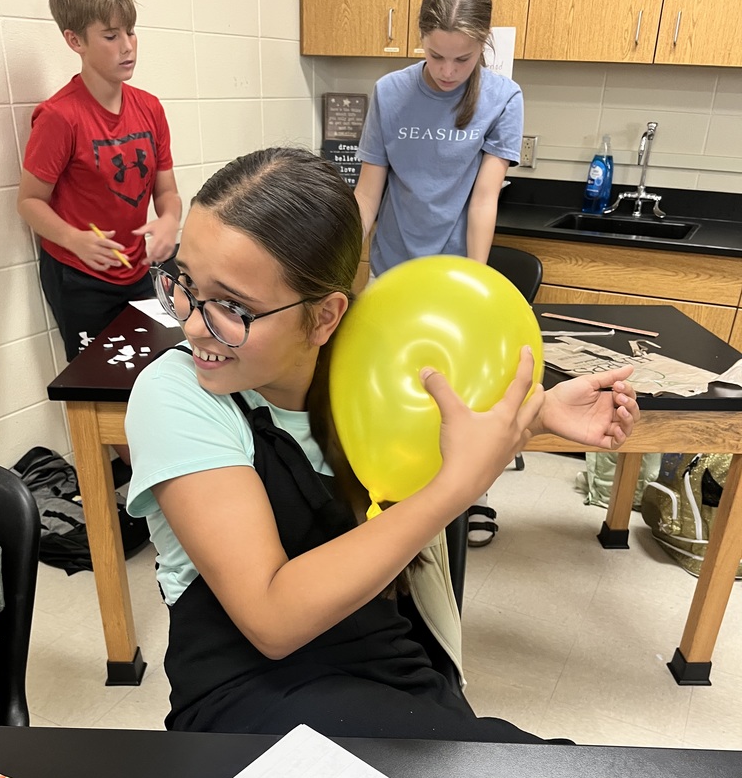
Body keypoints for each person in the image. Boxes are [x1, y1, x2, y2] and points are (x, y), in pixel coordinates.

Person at [124, 146, 639, 743]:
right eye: (185, 284)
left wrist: (539, 411)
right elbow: (269, 617)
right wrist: (454, 491)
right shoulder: (177, 393)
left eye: (233, 307)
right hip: (248, 698)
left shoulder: (367, 372)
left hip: (387, 664)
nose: (192, 325)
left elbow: (430, 432)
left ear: (324, 318)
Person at [354, 0, 520, 548]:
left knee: (455, 395)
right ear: (420, 39)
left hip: (453, 278)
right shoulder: (390, 93)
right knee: (395, 394)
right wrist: (343, 273)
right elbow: (368, 193)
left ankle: (459, 498)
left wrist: (475, 286)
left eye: (463, 59)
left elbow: (483, 200)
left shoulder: (503, 98)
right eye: (436, 56)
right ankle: (396, 500)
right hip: (393, 275)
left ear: (483, 47)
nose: (447, 72)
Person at [17, 0, 181, 363]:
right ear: (75, 41)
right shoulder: (59, 117)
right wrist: (75, 239)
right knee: (97, 384)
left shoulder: (150, 108)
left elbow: (167, 191)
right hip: (80, 277)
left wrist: (170, 220)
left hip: (137, 270)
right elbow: (28, 201)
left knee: (158, 369)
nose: (127, 46)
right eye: (110, 36)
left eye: (131, 32)